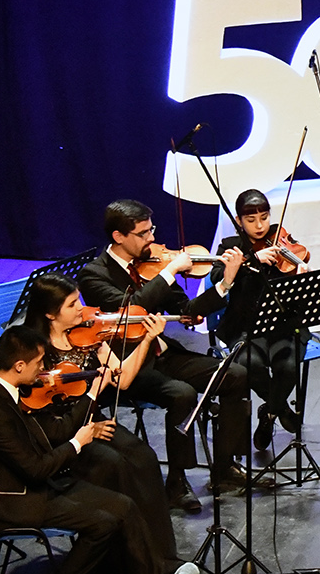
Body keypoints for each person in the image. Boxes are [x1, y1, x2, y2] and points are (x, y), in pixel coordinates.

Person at [0, 326, 206, 574]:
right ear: (19, 366)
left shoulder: (11, 388)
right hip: (18, 499)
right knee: (104, 522)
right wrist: (78, 443)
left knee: (125, 505)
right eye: (38, 364)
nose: (44, 370)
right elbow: (34, 469)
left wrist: (91, 396)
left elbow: (50, 434)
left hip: (40, 482)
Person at [78, 200, 256, 511]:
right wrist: (172, 270)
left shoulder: (154, 264)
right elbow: (132, 308)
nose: (152, 240)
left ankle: (224, 467)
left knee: (235, 375)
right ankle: (176, 481)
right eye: (143, 233)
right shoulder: (93, 275)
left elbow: (185, 310)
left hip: (161, 352)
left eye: (152, 230)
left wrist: (226, 281)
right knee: (181, 394)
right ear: (119, 237)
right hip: (128, 366)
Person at [19, 275, 184, 562]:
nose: (81, 309)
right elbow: (37, 410)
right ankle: (123, 558)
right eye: (72, 305)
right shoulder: (34, 348)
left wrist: (146, 339)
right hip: (64, 433)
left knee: (144, 458)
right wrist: (87, 429)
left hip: (95, 420)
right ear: (49, 313)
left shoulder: (89, 336)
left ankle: (160, 555)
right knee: (115, 465)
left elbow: (123, 380)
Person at [216, 188, 311, 456]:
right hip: (245, 327)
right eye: (251, 220)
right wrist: (248, 261)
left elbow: (298, 272)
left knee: (289, 365)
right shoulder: (229, 247)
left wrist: (301, 275)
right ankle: (279, 408)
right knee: (249, 364)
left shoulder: (280, 239)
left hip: (282, 324)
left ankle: (267, 413)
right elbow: (216, 278)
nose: (260, 226)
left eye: (264, 217)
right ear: (238, 221)